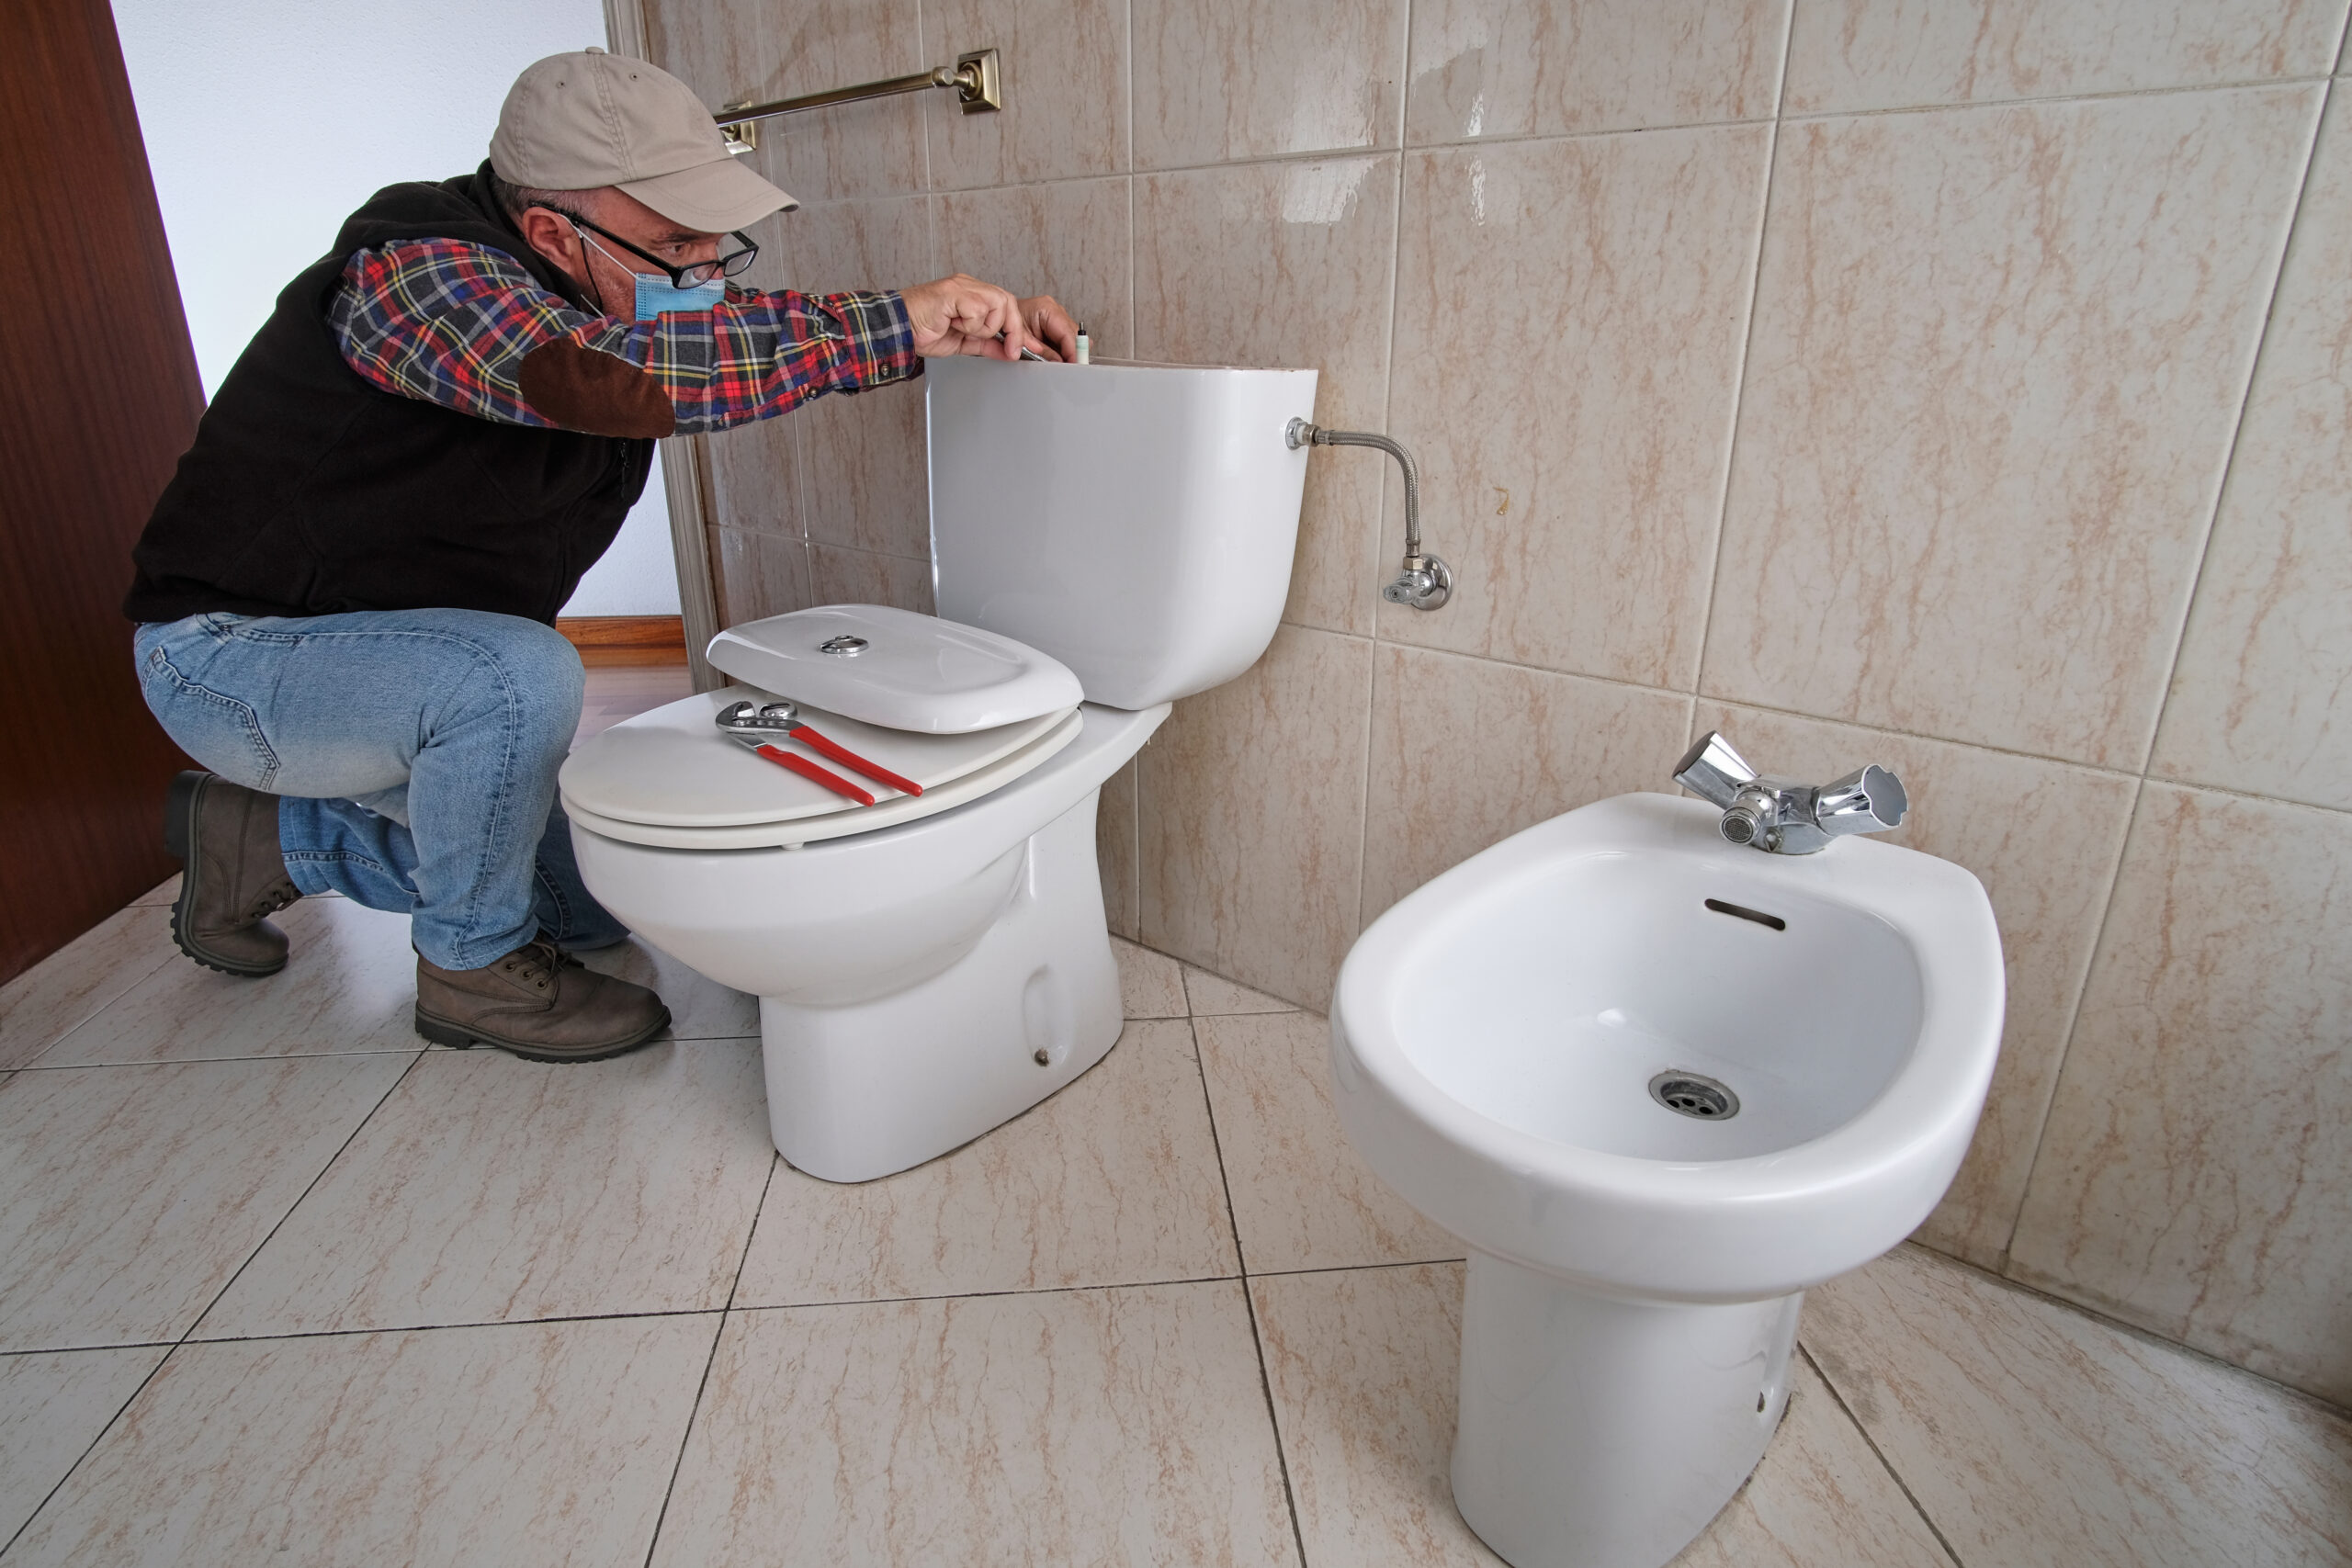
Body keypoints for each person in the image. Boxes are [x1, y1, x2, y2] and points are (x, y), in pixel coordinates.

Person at [123, 49, 1076, 1064]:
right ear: (549, 233)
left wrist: (925, 330)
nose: (705, 264)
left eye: (715, 235)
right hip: (237, 657)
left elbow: (726, 333)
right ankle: (470, 973)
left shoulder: (615, 286)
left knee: (586, 908)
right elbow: (606, 375)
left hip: (392, 663)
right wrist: (889, 323)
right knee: (519, 675)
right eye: (675, 241)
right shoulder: (419, 278)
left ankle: (271, 838)